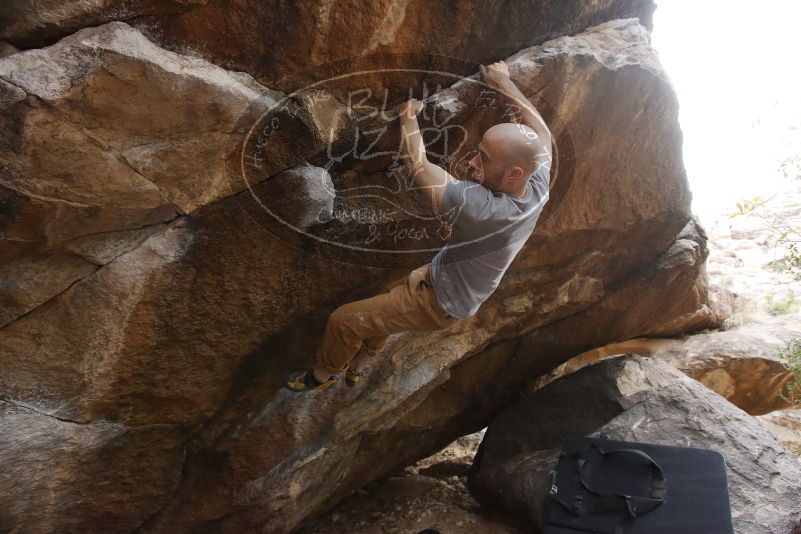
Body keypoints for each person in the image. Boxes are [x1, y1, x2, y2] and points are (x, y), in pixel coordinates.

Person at [285, 60, 553, 392]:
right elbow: (540, 129)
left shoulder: (482, 209)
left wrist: (408, 116)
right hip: (446, 276)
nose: (470, 163)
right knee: (387, 299)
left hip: (438, 304)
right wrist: (502, 81)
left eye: (484, 159)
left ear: (514, 173)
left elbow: (418, 164)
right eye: (477, 152)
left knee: (343, 320)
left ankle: (323, 375)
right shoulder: (537, 181)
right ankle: (362, 362)